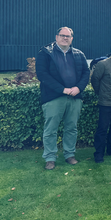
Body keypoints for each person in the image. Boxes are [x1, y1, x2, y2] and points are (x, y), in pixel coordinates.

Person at [35, 27, 90, 170]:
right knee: (51, 129)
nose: (65, 38)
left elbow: (86, 73)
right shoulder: (45, 53)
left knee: (71, 128)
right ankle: (50, 158)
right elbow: (42, 74)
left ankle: (69, 155)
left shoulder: (79, 54)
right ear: (56, 37)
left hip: (75, 97)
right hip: (53, 97)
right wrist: (62, 89)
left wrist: (78, 88)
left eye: (68, 36)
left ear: (72, 38)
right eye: (62, 35)